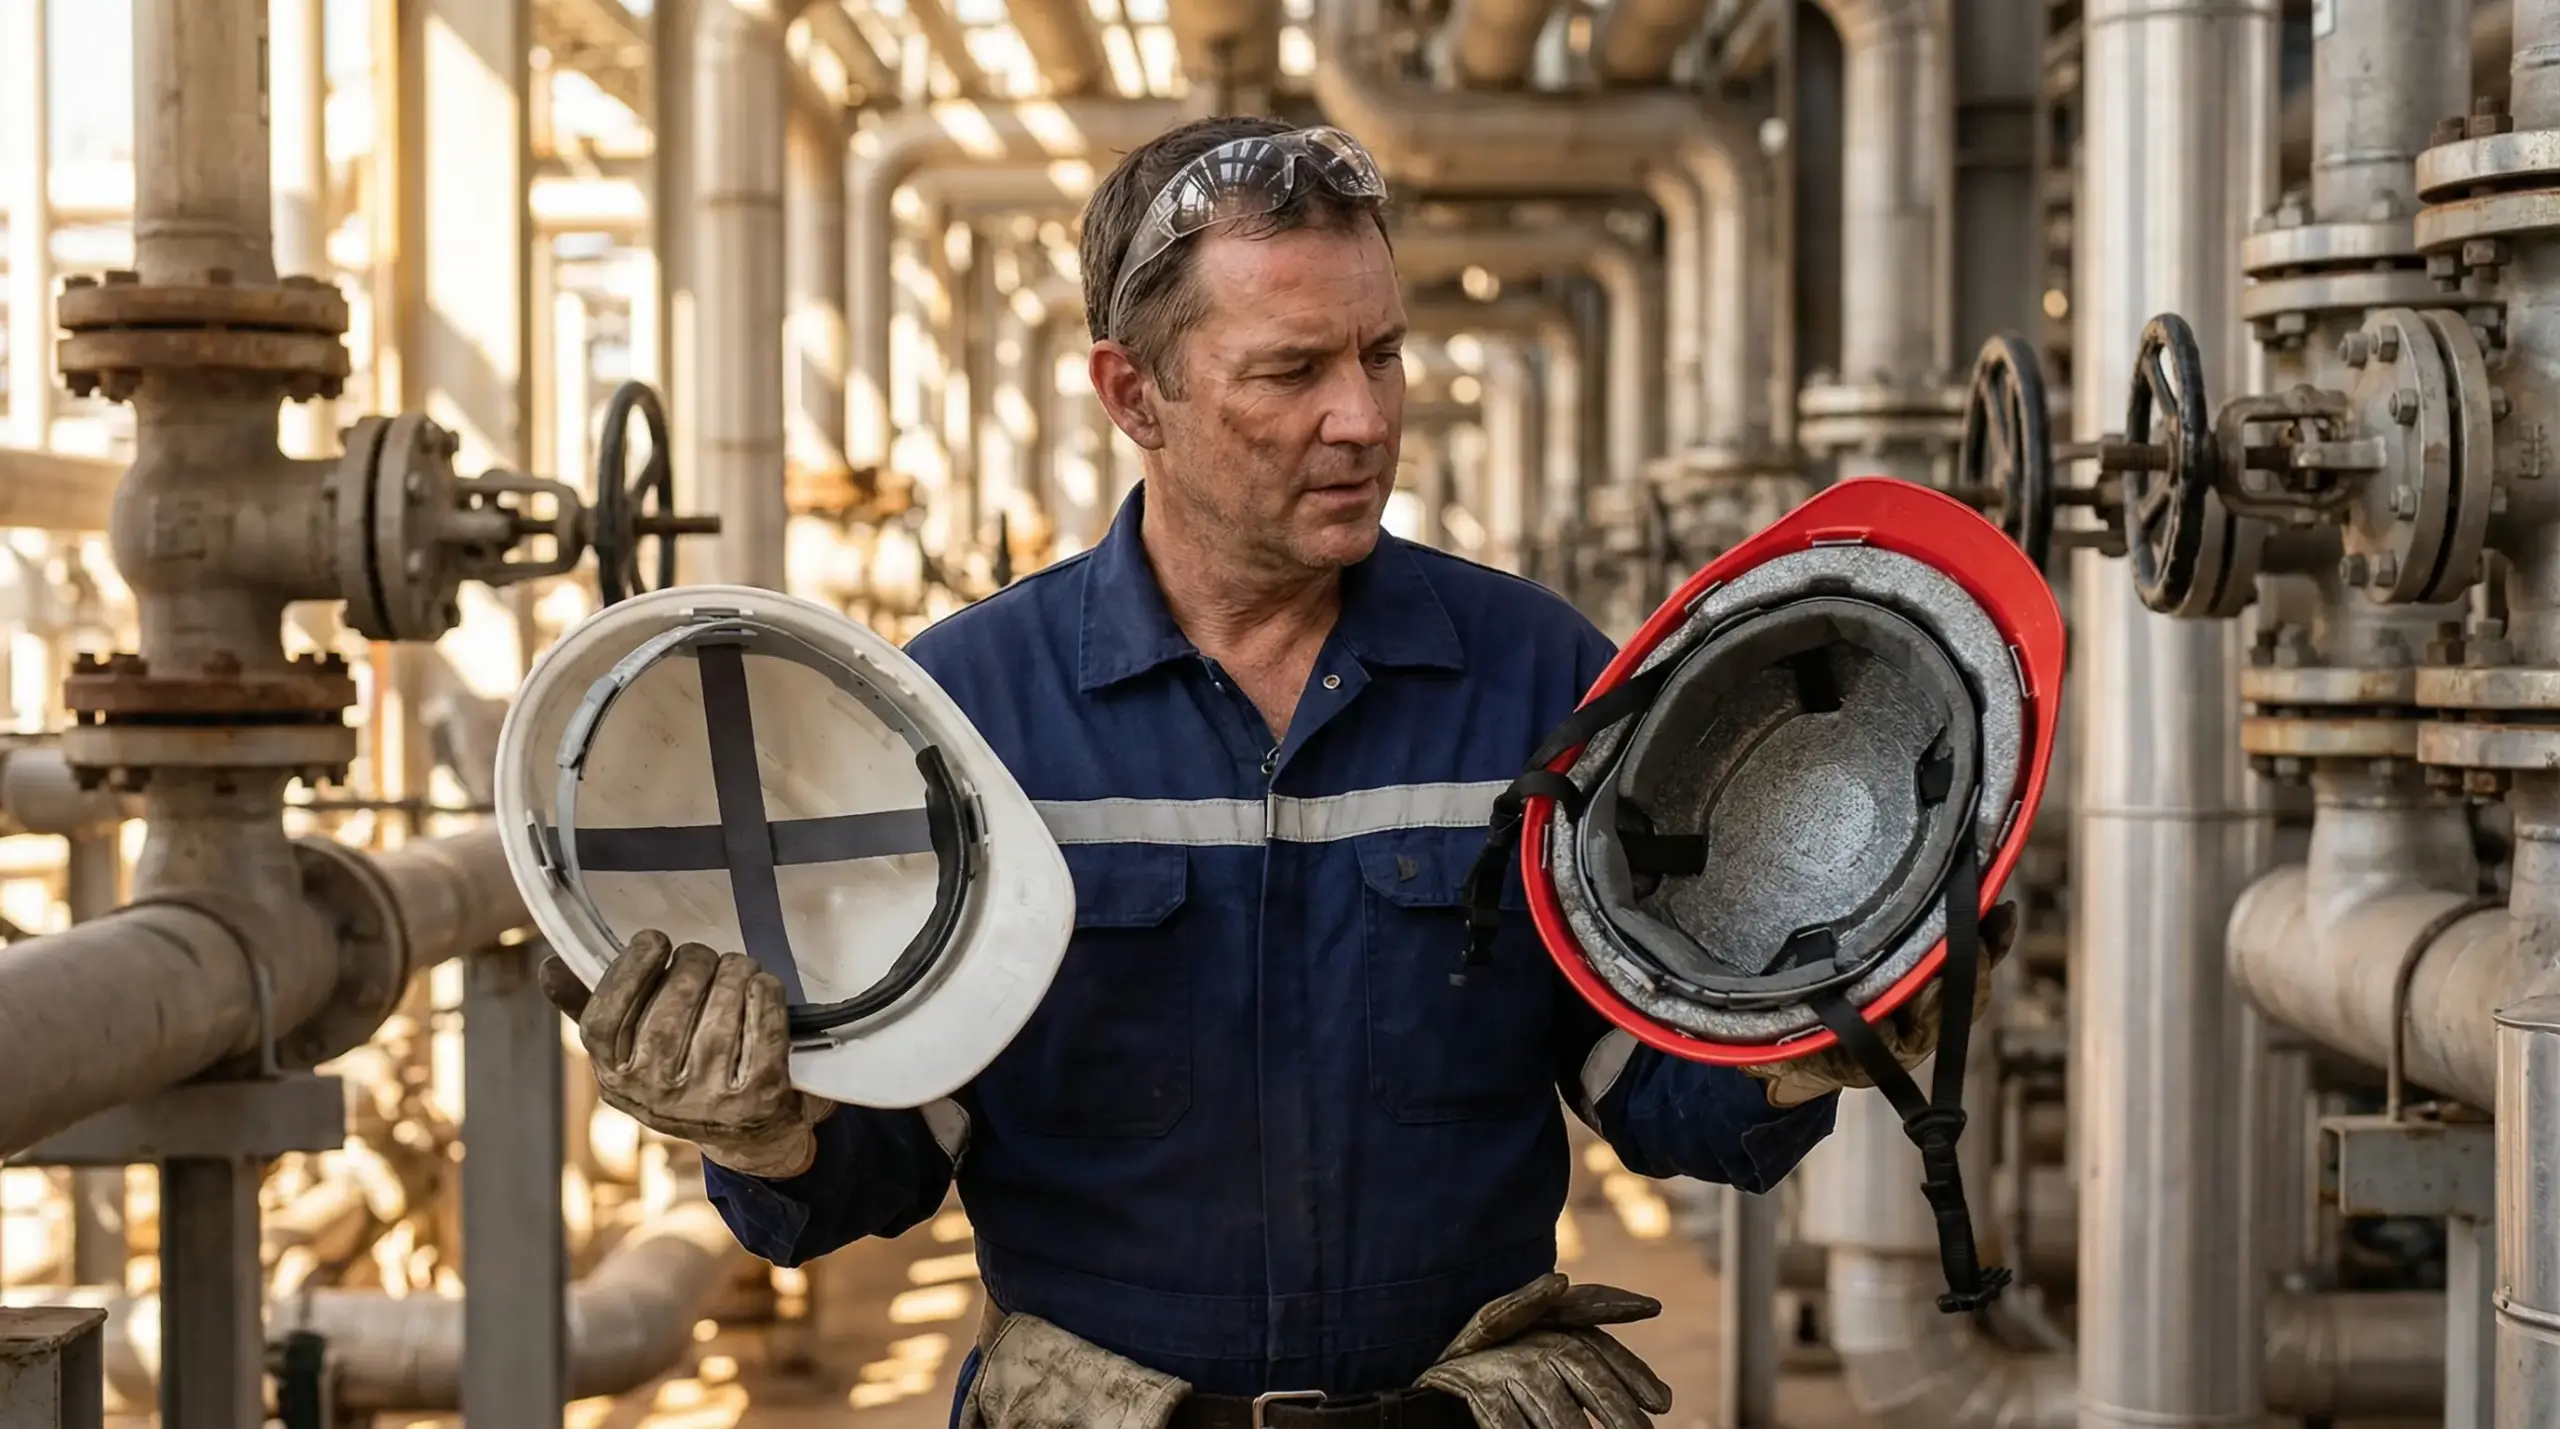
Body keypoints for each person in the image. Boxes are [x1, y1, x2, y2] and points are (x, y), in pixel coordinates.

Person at [540, 116, 2003, 1429]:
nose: (1364, 418)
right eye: (1293, 371)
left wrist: (1816, 1035)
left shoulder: (1536, 678)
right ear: (1135, 393)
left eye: (1382, 353)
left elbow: (1652, 1093)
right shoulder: (973, 712)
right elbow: (880, 1170)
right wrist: (769, 1130)